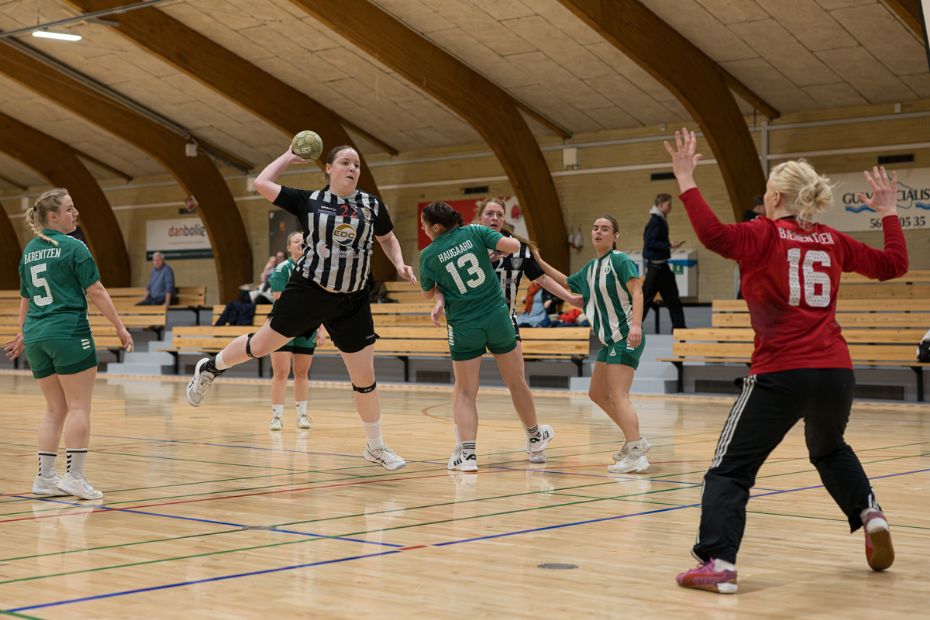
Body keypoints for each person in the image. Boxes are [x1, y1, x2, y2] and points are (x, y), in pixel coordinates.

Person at [665, 129, 907, 594]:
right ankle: (869, 512)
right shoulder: (833, 240)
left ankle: (719, 562)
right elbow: (893, 265)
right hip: (836, 372)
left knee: (729, 469)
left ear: (774, 198)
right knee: (829, 449)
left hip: (781, 370)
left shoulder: (763, 233)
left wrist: (686, 179)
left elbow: (713, 236)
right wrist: (889, 213)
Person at [185, 143, 416, 471]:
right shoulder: (310, 200)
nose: (352, 169)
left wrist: (400, 264)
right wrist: (289, 156)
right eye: (345, 162)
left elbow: (388, 238)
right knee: (260, 346)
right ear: (329, 168)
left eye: (357, 165)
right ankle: (210, 367)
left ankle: (375, 446)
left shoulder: (371, 205)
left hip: (352, 299)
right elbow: (261, 183)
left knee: (365, 377)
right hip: (308, 291)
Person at [4, 189, 133, 500]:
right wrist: (119, 326)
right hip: (68, 333)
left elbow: (26, 299)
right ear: (53, 217)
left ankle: (45, 479)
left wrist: (24, 333)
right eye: (69, 209)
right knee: (78, 407)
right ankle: (74, 477)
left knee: (54, 409)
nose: (75, 214)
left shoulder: (29, 251)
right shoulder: (74, 247)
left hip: (37, 336)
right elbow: (96, 290)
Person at [429, 198, 579, 462]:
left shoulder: (516, 248)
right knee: (464, 387)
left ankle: (534, 438)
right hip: (470, 319)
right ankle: (463, 447)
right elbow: (440, 281)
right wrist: (439, 300)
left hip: (504, 319)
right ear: (479, 217)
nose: (495, 218)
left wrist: (569, 297)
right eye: (489, 213)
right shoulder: (467, 242)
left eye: (499, 214)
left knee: (516, 380)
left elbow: (542, 278)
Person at [533, 215, 651, 474]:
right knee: (596, 393)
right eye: (595, 228)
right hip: (609, 340)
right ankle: (636, 440)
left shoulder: (620, 260)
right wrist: (539, 262)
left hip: (625, 335)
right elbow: (567, 282)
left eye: (605, 229)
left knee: (618, 395)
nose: (598, 232)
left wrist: (636, 325)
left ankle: (635, 453)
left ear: (615, 236)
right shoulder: (590, 268)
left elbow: (637, 291)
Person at [267, 231, 327, 431]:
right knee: (281, 372)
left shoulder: (316, 269)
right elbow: (279, 297)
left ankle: (302, 415)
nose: (301, 243)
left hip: (307, 326)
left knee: (301, 372)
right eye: (296, 241)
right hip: (283, 325)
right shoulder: (282, 269)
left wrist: (321, 329)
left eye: (303, 241)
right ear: (289, 247)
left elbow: (320, 304)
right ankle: (276, 417)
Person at [641, 193, 686, 330]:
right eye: (669, 204)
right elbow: (649, 242)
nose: (671, 207)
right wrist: (668, 245)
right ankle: (630, 329)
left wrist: (668, 244)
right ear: (661, 205)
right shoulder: (656, 221)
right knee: (645, 300)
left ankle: (679, 328)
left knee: (673, 299)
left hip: (662, 267)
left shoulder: (660, 219)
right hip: (655, 268)